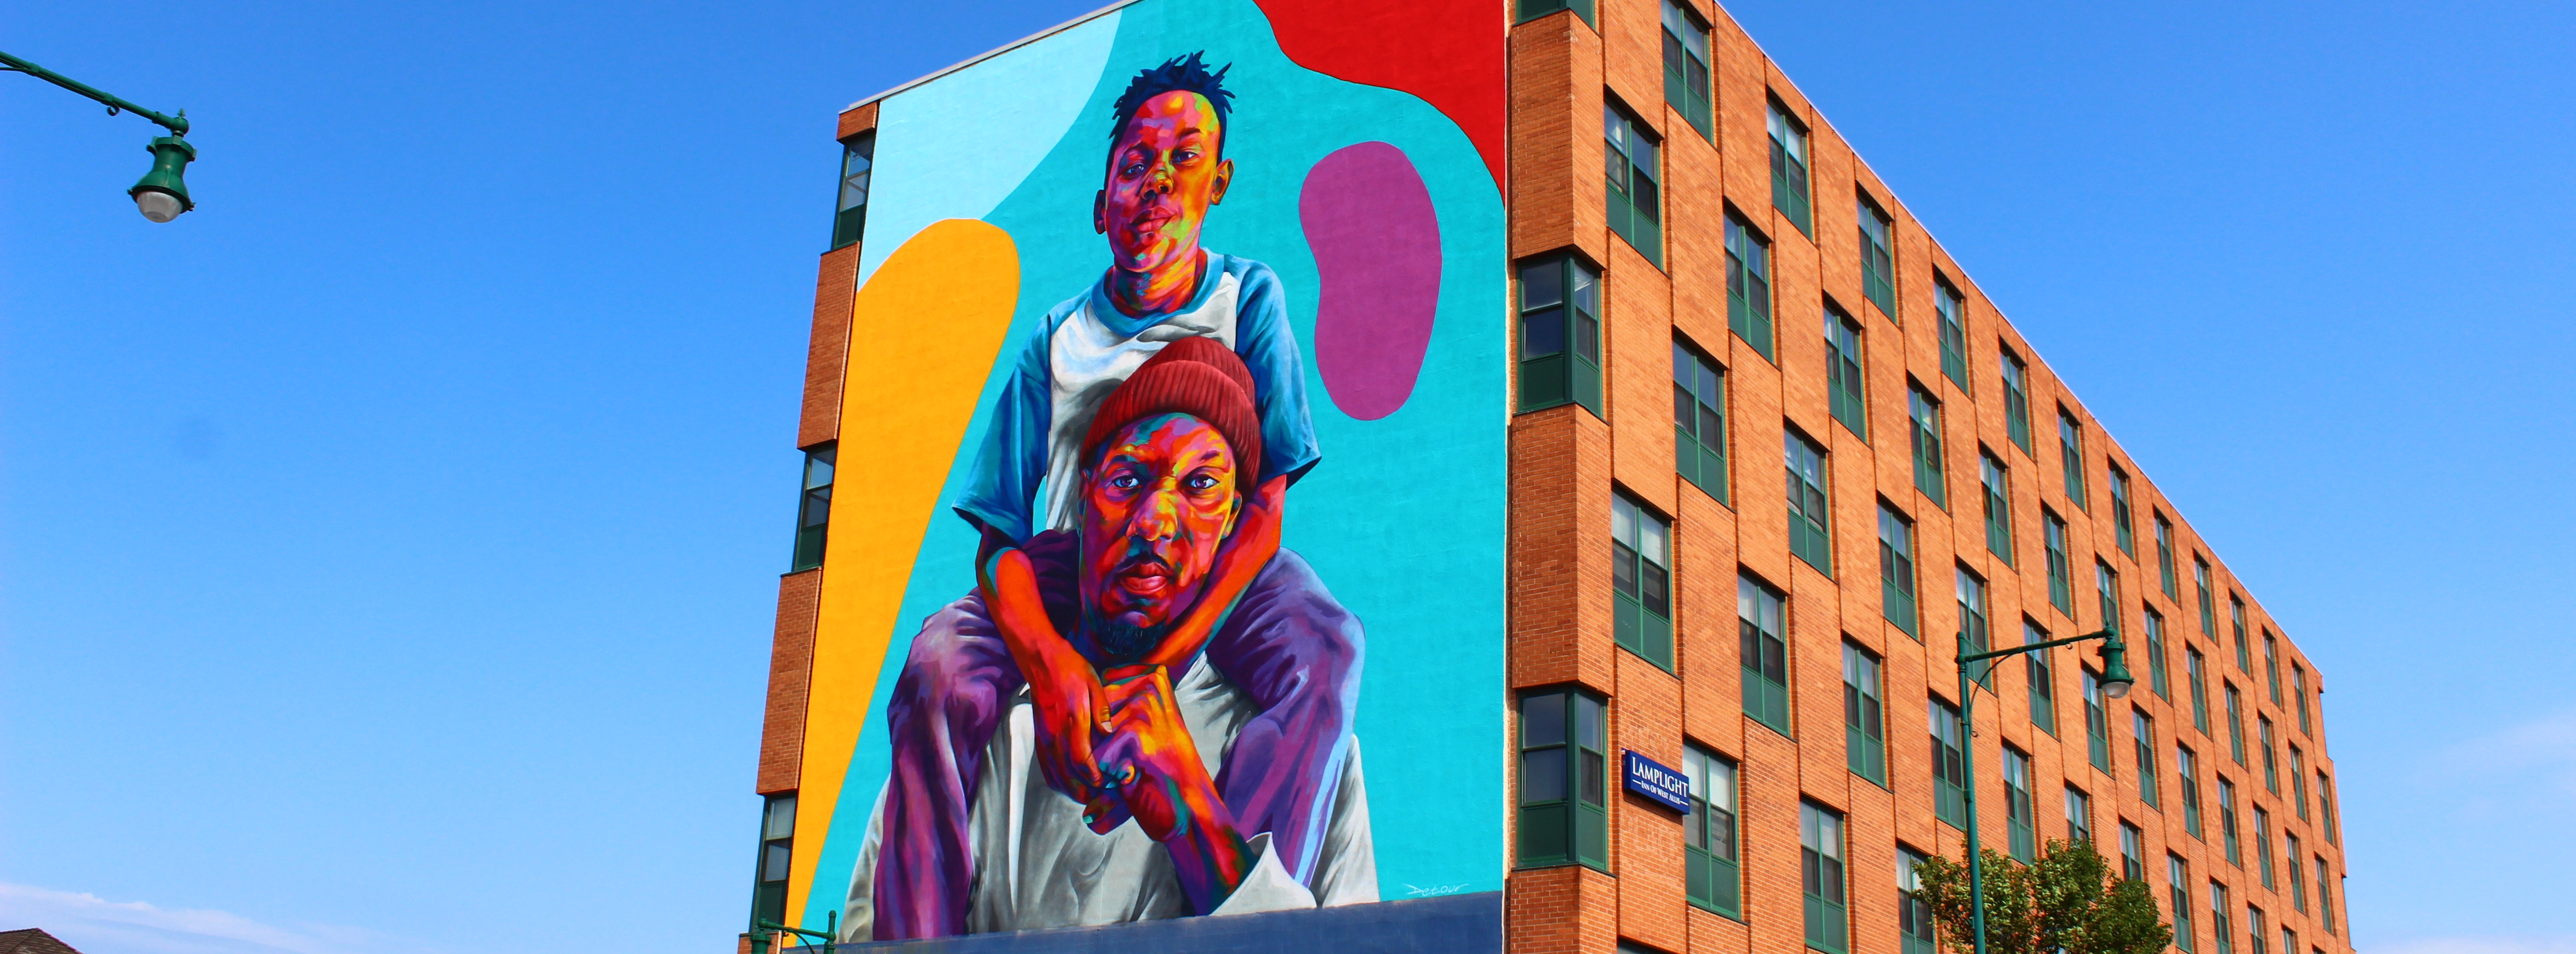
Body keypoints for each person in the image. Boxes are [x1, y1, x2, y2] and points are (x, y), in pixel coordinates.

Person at [859, 54, 1366, 939]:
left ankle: (1234, 902)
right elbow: (1000, 544)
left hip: (1224, 566)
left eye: (1182, 160)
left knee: (1325, 647)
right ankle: (919, 936)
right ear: (1100, 203)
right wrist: (1054, 667)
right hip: (1071, 562)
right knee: (937, 666)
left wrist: (1163, 657)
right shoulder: (1055, 339)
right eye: (1135, 164)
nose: (1157, 183)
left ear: (1218, 182)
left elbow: (1264, 508)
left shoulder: (1246, 296)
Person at [849, 338, 1374, 935]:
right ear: (1084, 495)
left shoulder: (1321, 751)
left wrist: (1202, 829)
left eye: (1201, 487)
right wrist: (1050, 667)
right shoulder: (976, 733)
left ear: (1233, 523)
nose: (1155, 521)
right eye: (1127, 481)